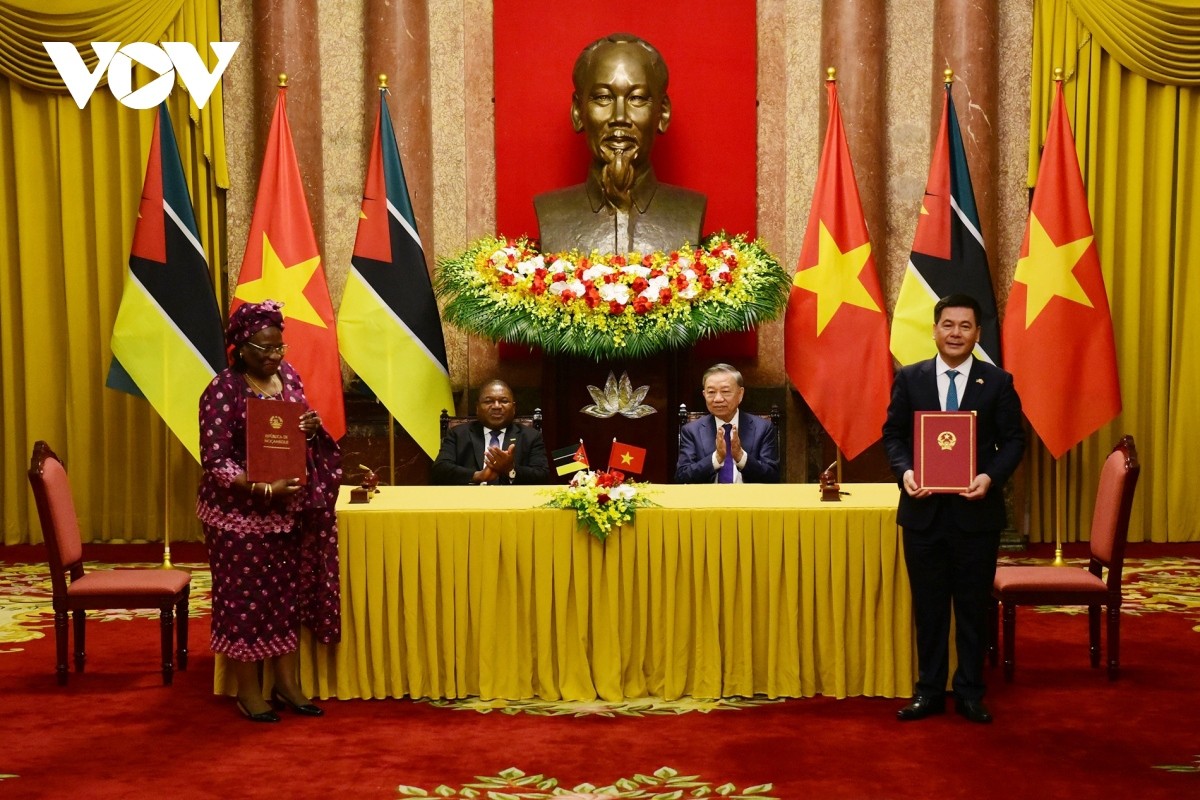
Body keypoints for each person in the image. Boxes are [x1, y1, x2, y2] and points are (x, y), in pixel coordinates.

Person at [196, 300, 342, 723]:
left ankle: (286, 682)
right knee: (244, 601)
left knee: (284, 600)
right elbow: (215, 460)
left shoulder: (289, 377)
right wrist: (262, 488)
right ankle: (247, 690)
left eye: (279, 348)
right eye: (264, 349)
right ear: (241, 347)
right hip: (237, 517)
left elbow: (296, 427)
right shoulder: (222, 389)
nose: (274, 356)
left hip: (286, 513)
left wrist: (310, 429)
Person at [882, 293, 1025, 724]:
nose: (956, 333)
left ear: (978, 333)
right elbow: (893, 436)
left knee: (971, 607)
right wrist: (905, 471)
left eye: (965, 326)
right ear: (934, 329)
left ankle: (969, 691)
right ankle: (928, 690)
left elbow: (1015, 440)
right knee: (927, 607)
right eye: (948, 324)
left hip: (975, 515)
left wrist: (991, 477)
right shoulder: (911, 378)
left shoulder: (998, 382)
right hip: (922, 515)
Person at [534, 32, 707, 255]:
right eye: (603, 97)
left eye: (637, 98)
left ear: (662, 113)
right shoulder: (551, 212)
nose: (620, 117)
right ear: (578, 112)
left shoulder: (689, 211)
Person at [431, 379, 551, 485]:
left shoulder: (530, 436)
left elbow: (543, 476)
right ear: (477, 408)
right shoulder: (458, 434)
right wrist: (478, 476)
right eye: (489, 401)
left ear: (514, 408)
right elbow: (439, 471)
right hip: (469, 503)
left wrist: (511, 469)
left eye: (504, 401)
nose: (496, 406)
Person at [676, 363, 779, 484]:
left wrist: (741, 457)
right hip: (707, 500)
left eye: (725, 391)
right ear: (704, 395)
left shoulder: (763, 428)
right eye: (711, 392)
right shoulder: (691, 430)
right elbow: (682, 477)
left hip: (749, 500)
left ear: (740, 394)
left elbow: (773, 477)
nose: (718, 399)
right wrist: (716, 458)